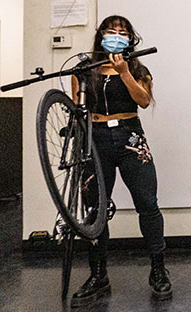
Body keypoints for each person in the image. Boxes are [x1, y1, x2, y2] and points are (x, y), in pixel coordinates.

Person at [69, 15, 172, 307]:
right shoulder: (83, 70)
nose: (117, 35)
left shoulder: (138, 67)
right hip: (95, 138)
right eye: (111, 31)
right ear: (100, 35)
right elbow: (78, 107)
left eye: (123, 32)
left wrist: (124, 72)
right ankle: (98, 275)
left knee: (148, 204)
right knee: (95, 209)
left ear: (130, 38)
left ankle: (158, 271)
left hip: (130, 137)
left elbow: (143, 100)